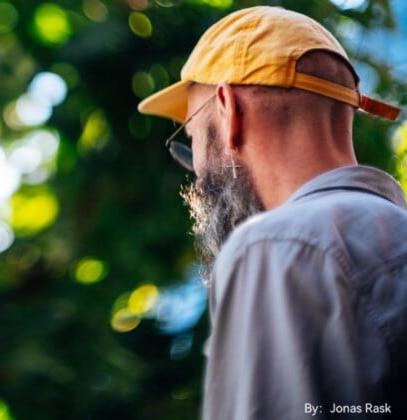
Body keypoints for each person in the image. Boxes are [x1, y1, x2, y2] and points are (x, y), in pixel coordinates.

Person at [137, 5, 407, 419]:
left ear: (228, 110)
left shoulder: (278, 245)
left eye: (192, 138)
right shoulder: (392, 238)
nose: (196, 176)